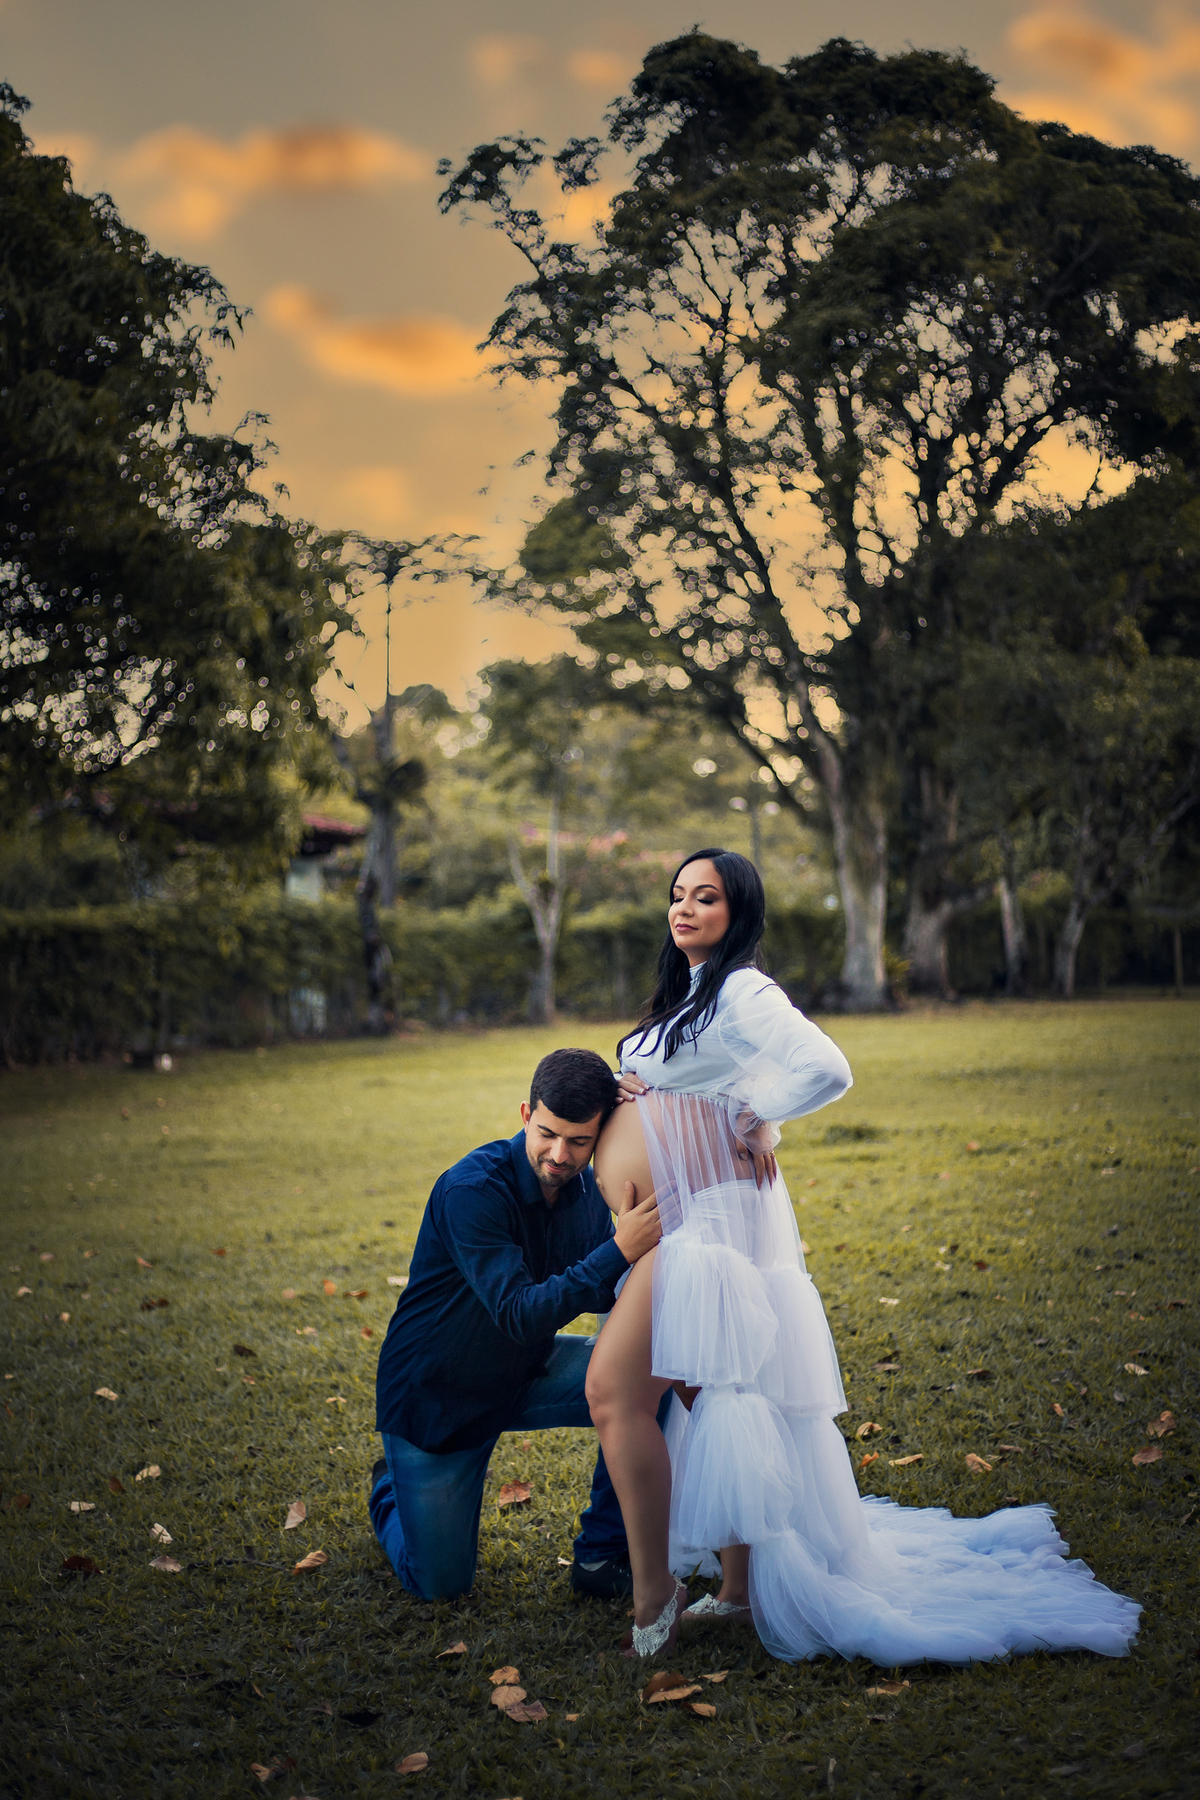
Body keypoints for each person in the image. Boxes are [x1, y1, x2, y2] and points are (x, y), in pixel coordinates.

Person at [586, 848, 1141, 1663]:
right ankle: (738, 1591)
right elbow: (682, 1082)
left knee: (626, 1389)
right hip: (683, 1221)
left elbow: (826, 1067)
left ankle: (658, 1592)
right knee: (721, 1394)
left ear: (739, 913)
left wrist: (755, 1115)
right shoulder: (690, 995)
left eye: (706, 897)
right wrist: (627, 1082)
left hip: (708, 1223)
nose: (685, 908)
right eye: (677, 895)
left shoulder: (741, 989)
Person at [369, 1047, 661, 1601]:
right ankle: (389, 1489)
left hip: (528, 1372)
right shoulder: (471, 1191)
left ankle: (602, 1552)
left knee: (652, 1378)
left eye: (580, 1141)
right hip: (441, 1397)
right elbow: (519, 1313)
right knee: (441, 1586)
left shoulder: (587, 1193)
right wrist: (619, 1250)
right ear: (526, 1115)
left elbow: (602, 1285)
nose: (560, 1155)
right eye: (547, 1134)